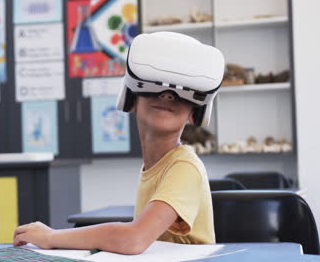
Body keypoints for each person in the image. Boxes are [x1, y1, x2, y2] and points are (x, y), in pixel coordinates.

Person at [13, 32, 225, 255]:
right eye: (153, 86)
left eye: (182, 93)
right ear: (131, 100)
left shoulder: (185, 167)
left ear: (196, 113)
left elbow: (133, 239)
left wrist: (51, 237)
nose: (167, 95)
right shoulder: (155, 167)